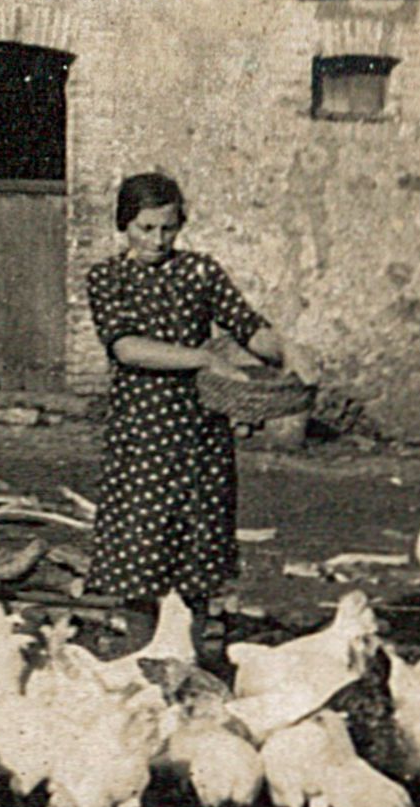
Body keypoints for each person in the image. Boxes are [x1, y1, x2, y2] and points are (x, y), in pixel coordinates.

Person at [84, 172, 289, 622]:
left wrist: (283, 352)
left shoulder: (200, 271)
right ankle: (140, 650)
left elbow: (247, 324)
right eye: (146, 228)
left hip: (199, 436)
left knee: (196, 555)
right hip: (141, 436)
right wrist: (202, 359)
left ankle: (191, 653)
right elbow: (126, 347)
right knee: (141, 553)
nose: (158, 240)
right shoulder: (108, 277)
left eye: (168, 228)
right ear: (125, 225)